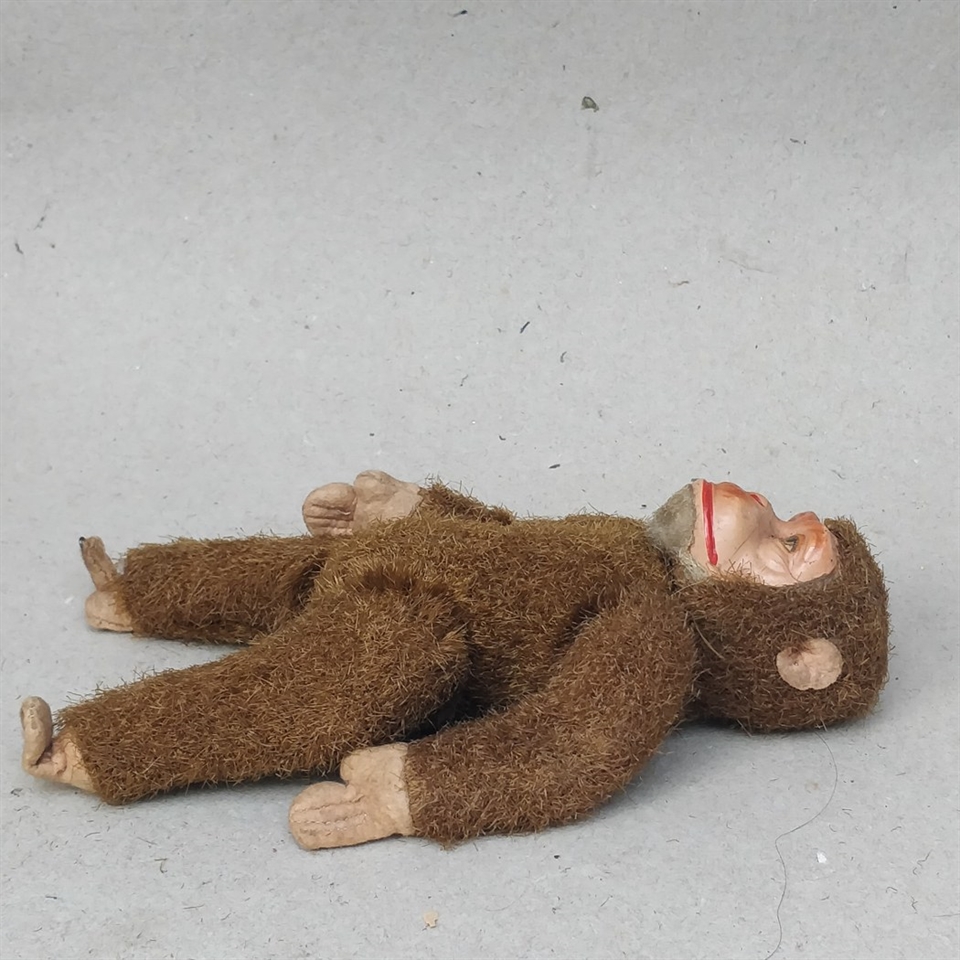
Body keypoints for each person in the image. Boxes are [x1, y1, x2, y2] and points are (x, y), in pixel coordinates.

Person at [20, 471, 888, 848]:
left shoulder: (655, 635)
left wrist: (418, 788)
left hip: (419, 628)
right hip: (404, 563)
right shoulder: (635, 550)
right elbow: (515, 544)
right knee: (282, 576)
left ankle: (97, 748)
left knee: (308, 693)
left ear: (797, 656)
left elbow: (575, 745)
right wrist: (416, 508)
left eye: (784, 545)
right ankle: (138, 592)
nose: (763, 504)